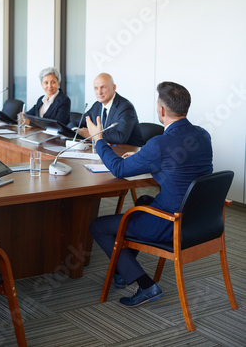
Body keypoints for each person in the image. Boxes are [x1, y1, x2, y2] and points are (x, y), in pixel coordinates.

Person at [87, 81, 213, 308]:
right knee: (144, 200)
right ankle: (122, 271)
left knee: (98, 226)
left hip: (170, 223)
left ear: (162, 110)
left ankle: (146, 285)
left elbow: (118, 170)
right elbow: (180, 168)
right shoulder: (203, 136)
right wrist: (142, 161)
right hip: (199, 222)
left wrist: (98, 139)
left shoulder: (160, 144)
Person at [68, 73, 143, 146]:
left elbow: (121, 137)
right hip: (105, 150)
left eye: (103, 87)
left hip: (127, 153)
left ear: (113, 88)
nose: (99, 92)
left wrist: (91, 135)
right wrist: (76, 130)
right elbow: (73, 124)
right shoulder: (97, 106)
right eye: (96, 88)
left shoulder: (125, 107)